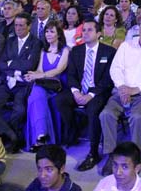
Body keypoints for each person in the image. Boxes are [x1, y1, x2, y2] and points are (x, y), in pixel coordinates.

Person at [99, 16, 141, 176]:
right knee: (106, 114)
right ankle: (111, 155)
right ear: (139, 29)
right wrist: (122, 87)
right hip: (120, 91)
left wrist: (135, 90)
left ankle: (133, 159)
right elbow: (115, 69)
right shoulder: (126, 46)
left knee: (137, 117)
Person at [55, 20, 116, 171]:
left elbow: (108, 79)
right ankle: (73, 131)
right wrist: (76, 92)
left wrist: (90, 94)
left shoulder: (109, 52)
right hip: (79, 89)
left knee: (93, 110)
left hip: (98, 92)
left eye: (89, 30)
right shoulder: (76, 51)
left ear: (98, 34)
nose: (85, 33)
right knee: (61, 99)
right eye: (84, 30)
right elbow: (71, 75)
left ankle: (93, 152)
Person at [0, 12, 42, 153]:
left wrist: (11, 64)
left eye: (21, 25)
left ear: (29, 26)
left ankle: (13, 142)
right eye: (16, 25)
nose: (18, 28)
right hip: (7, 82)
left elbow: (30, 65)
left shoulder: (35, 43)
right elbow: (1, 64)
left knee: (19, 110)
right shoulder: (10, 41)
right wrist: (15, 68)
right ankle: (10, 136)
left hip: (23, 84)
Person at [24, 20, 69, 151]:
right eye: (47, 32)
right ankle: (41, 135)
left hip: (58, 86)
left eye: (52, 32)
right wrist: (33, 74)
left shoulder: (65, 50)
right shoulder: (43, 51)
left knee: (35, 94)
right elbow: (39, 70)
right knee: (36, 93)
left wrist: (40, 76)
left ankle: (40, 136)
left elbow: (59, 70)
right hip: (44, 85)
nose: (48, 34)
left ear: (59, 34)